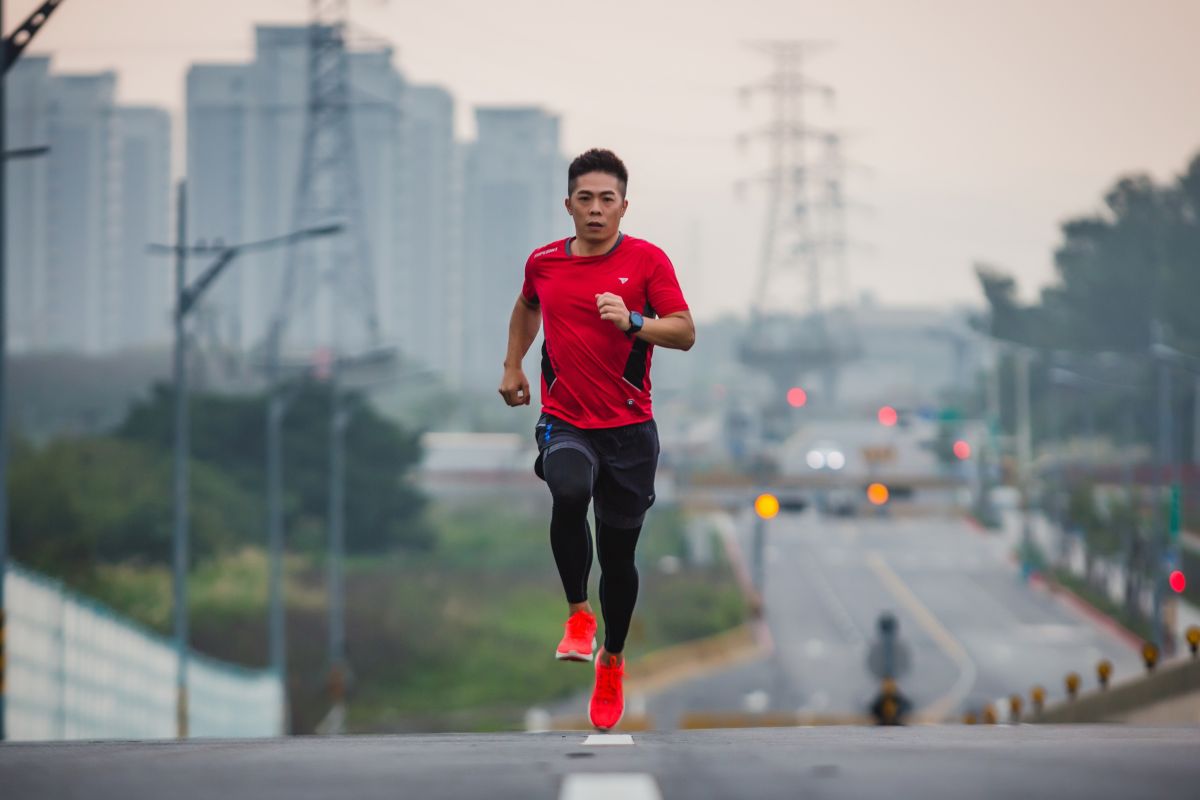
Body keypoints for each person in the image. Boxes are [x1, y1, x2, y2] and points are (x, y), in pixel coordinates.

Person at [498, 148, 695, 730]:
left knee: (619, 556)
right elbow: (526, 307)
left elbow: (684, 332)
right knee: (566, 490)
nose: (595, 209)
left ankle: (611, 659)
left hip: (630, 430)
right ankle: (577, 615)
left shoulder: (648, 262)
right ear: (568, 205)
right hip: (567, 418)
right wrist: (513, 365)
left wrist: (633, 321)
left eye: (607, 199)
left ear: (623, 206)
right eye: (584, 198)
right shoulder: (543, 263)